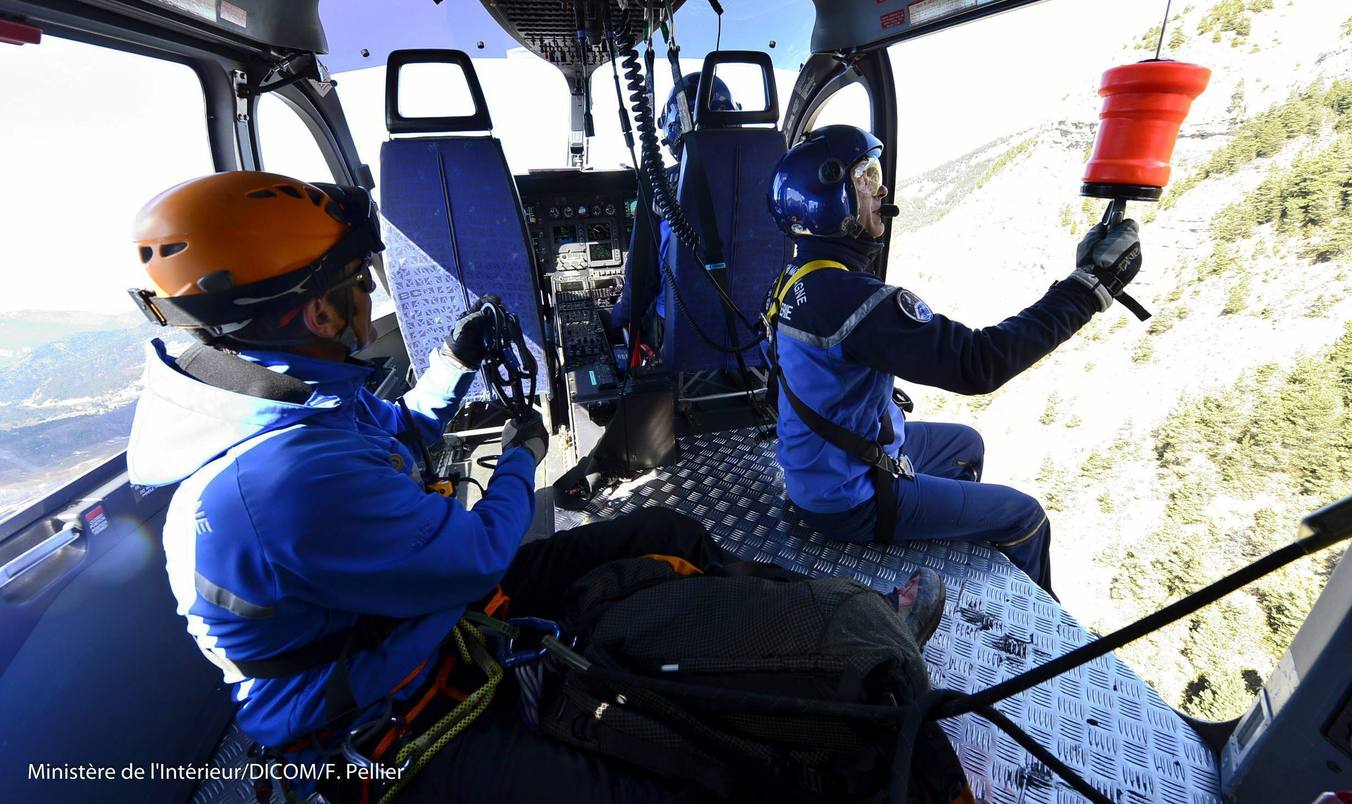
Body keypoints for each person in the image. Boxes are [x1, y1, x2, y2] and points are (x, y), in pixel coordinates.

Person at [126, 170, 945, 802]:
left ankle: (841, 623)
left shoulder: (281, 402)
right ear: (317, 314)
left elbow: (395, 433)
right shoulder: (282, 476)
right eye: (354, 285)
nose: (365, 294)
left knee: (663, 534)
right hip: (377, 726)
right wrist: (524, 448)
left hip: (409, 624)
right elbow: (483, 556)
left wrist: (453, 360)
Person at [763, 126, 1143, 597]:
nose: (881, 188)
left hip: (817, 467)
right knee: (1026, 517)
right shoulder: (848, 299)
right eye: (865, 178)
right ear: (830, 200)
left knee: (966, 444)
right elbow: (978, 363)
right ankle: (1044, 649)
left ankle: (939, 537)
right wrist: (1087, 289)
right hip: (846, 498)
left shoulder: (796, 278)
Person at [610, 72, 738, 343]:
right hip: (751, 329)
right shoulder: (765, 178)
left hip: (681, 332)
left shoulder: (663, 187)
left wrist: (615, 317)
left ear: (671, 129)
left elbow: (641, 283)